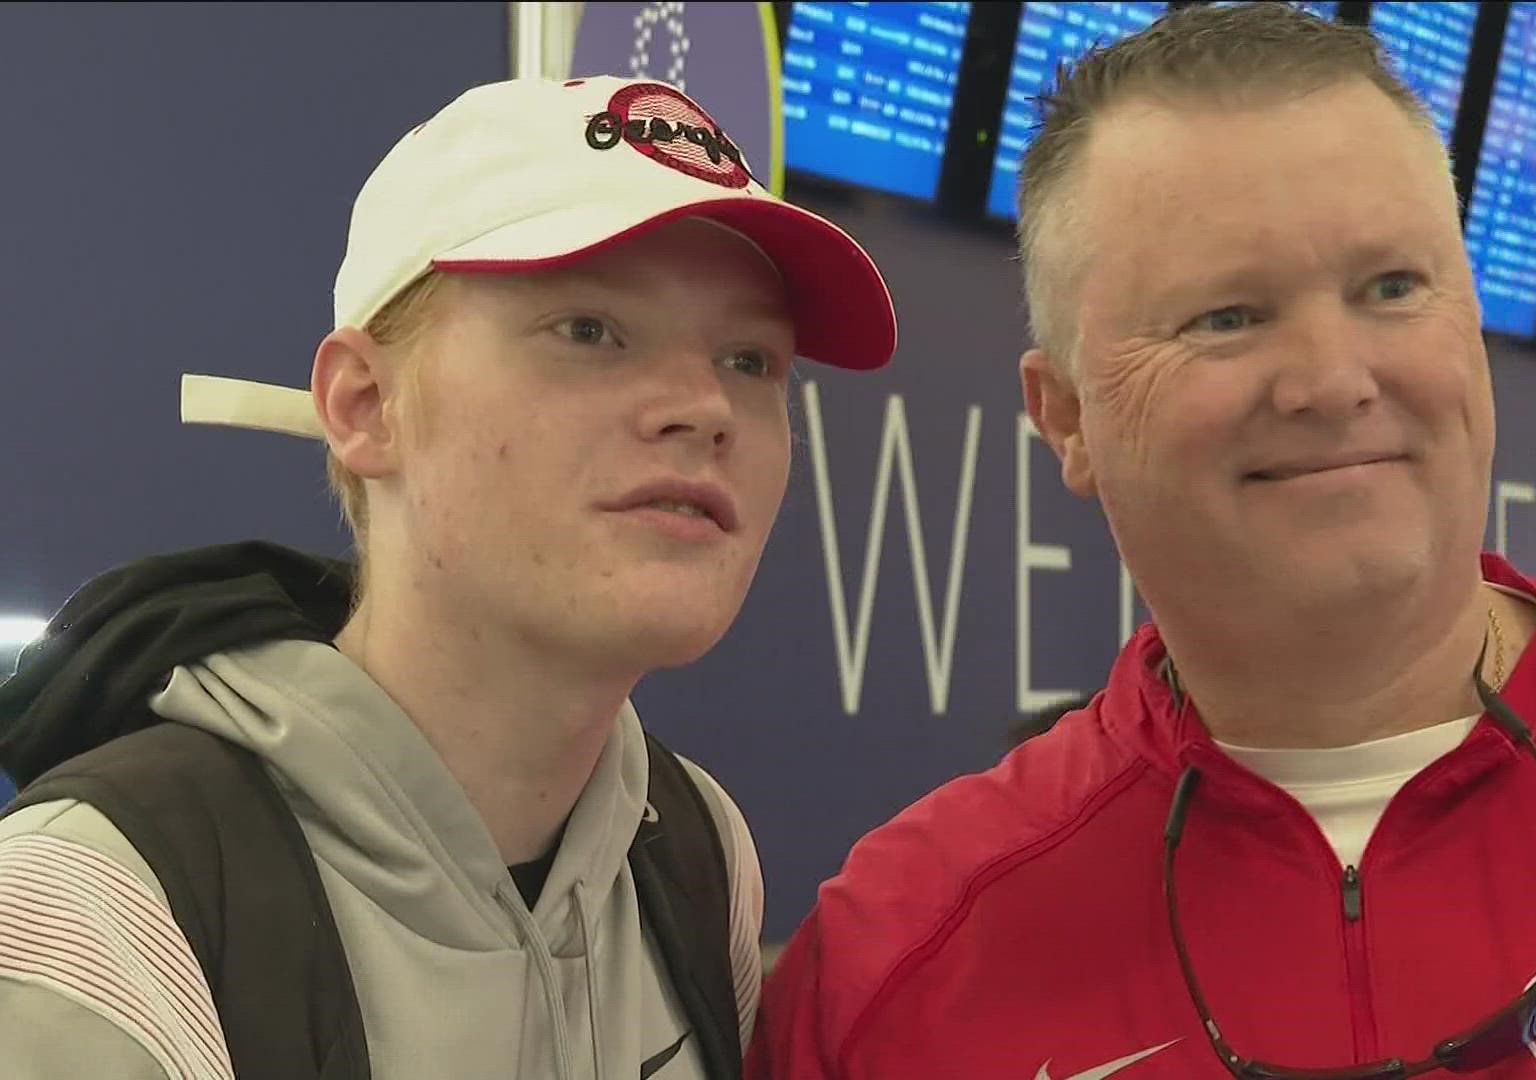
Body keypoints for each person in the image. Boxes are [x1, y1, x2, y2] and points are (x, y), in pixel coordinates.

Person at [746, 5, 1536, 1078]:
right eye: (1228, 316)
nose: (1331, 379)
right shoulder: (894, 967)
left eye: (1393, 287)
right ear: (1065, 417)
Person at [0, 75, 895, 1079]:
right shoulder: (101, 918)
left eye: (750, 359)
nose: (704, 407)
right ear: (365, 403)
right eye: (591, 330)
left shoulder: (696, 855)